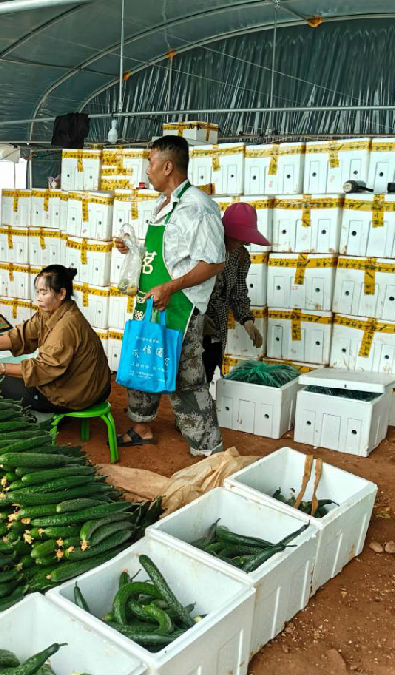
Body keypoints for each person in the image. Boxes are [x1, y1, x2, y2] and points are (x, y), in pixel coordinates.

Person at [113, 134, 227, 457]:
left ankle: (208, 450)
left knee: (186, 379)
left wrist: (171, 287)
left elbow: (214, 262)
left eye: (150, 163)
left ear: (167, 166)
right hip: (152, 300)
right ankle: (142, 426)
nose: (146, 170)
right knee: (144, 360)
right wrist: (131, 247)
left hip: (180, 306)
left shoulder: (199, 208)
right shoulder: (161, 205)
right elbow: (165, 254)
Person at [0, 265, 111, 413]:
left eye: (43, 292)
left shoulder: (67, 325)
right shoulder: (52, 312)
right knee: (9, 376)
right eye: (37, 292)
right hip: (87, 383)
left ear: (61, 293)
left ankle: (53, 414)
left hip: (83, 392)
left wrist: (0, 368)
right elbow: (24, 334)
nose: (38, 298)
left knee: (2, 382)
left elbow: (43, 369)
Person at [203, 202, 269, 382]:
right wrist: (200, 316)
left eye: (243, 239)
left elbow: (238, 291)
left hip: (218, 322)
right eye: (235, 237)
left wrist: (247, 320)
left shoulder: (241, 256)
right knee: (188, 374)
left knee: (209, 369)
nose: (239, 242)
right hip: (193, 320)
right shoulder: (204, 246)